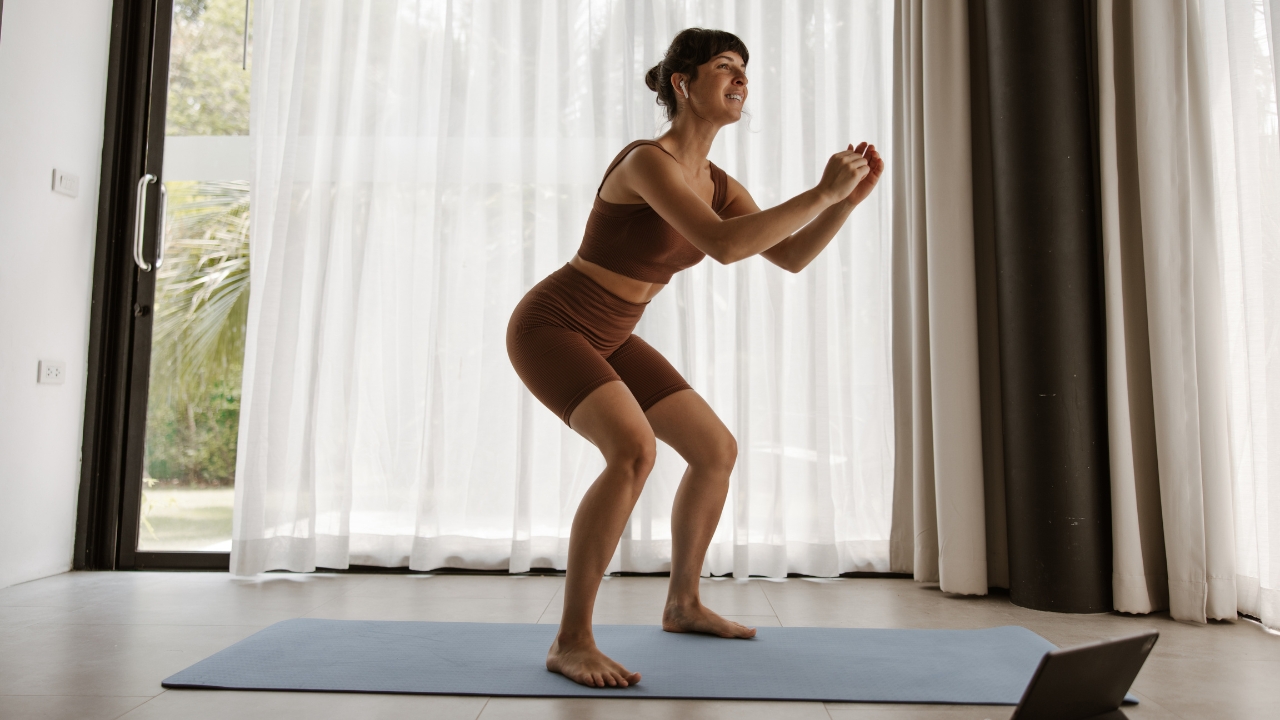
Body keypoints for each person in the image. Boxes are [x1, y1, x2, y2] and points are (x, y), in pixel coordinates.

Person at [505, 27, 884, 689]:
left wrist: (843, 203)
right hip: (555, 324)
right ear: (683, 84)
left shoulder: (716, 181)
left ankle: (683, 604)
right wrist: (819, 193)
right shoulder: (646, 161)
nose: (741, 81)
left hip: (614, 333)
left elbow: (787, 255)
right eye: (726, 68)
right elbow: (722, 244)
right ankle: (571, 640)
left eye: (745, 71)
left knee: (714, 450)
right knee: (632, 452)